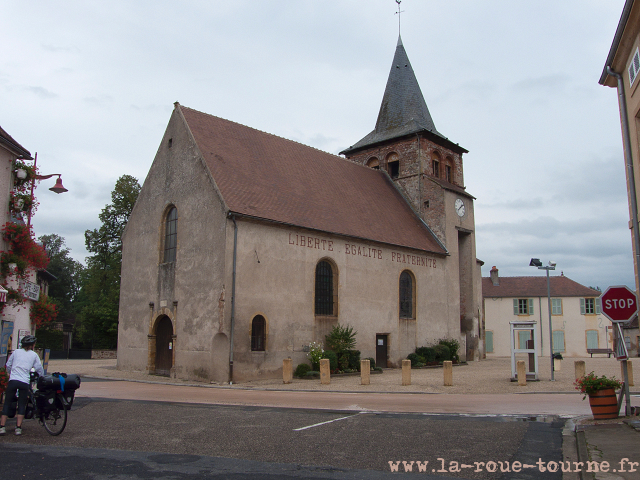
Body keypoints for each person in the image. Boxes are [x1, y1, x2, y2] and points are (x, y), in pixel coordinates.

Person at [0, 335, 44, 435]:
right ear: (32, 345)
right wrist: (41, 377)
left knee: (7, 402)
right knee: (22, 404)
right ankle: (18, 428)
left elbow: (8, 365)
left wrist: (11, 373)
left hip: (13, 380)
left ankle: (2, 427)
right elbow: (39, 368)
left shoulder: (16, 352)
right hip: (24, 381)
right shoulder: (34, 355)